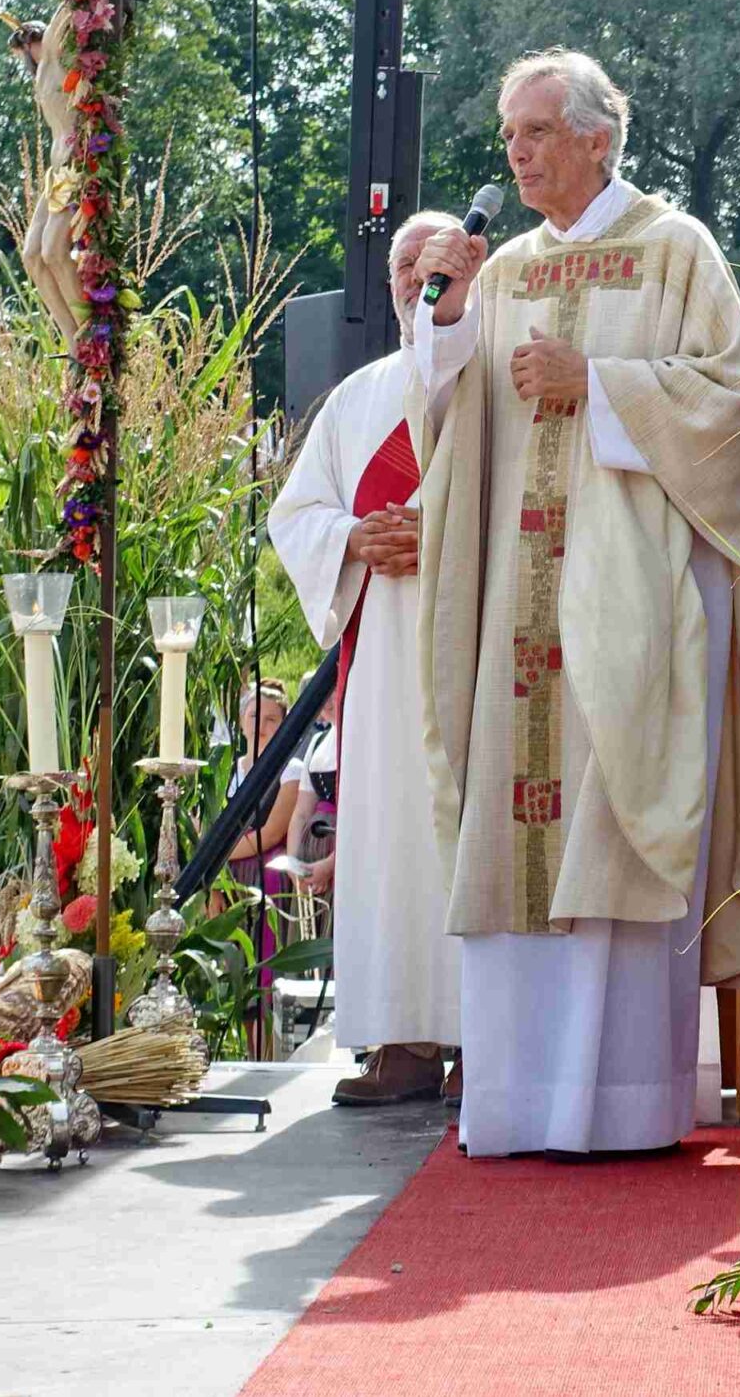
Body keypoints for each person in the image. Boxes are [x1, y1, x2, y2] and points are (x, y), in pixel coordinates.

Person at [410, 48, 740, 1158]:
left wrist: (602, 386)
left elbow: (737, 411)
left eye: (537, 132)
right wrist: (446, 320)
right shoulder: (505, 269)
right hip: (518, 602)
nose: (517, 153)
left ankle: (625, 1102)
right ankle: (518, 1100)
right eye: (509, 135)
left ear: (598, 139)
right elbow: (452, 421)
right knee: (517, 820)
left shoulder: (676, 249)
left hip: (639, 593)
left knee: (626, 805)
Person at [268, 207, 466, 1108]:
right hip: (383, 655)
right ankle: (404, 1039)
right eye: (402, 270)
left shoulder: (497, 379)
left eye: (433, 266)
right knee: (391, 835)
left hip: (481, 639)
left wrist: (441, 536)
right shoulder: (357, 399)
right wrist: (354, 538)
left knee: (471, 835)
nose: (416, 283)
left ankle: (486, 1041)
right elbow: (296, 516)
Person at [226, 680, 306, 1060]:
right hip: (230, 884)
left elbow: (272, 831)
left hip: (266, 882)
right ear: (242, 720)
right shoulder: (228, 771)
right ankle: (241, 1051)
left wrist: (222, 853)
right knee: (235, 969)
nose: (262, 725)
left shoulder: (291, 770)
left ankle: (267, 1056)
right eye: (255, 715)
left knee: (264, 970)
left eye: (272, 719)